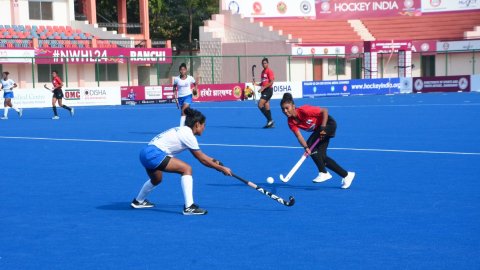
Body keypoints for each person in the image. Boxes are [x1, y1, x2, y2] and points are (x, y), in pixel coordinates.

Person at [131, 107, 232, 215]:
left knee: (157, 179)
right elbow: (202, 159)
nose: (204, 128)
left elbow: (202, 156)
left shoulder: (183, 130)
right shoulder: (188, 135)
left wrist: (215, 161)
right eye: (204, 125)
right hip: (154, 154)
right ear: (197, 124)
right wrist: (221, 169)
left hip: (145, 153)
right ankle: (189, 207)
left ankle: (138, 201)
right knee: (186, 169)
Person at [280, 93, 355, 189]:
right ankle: (347, 175)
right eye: (283, 109)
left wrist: (323, 128)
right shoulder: (290, 122)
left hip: (328, 124)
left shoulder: (304, 110)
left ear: (293, 106)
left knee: (311, 145)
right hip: (320, 130)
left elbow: (325, 111)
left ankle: (323, 172)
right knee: (322, 157)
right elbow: (299, 136)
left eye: (287, 108)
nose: (285, 111)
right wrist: (306, 148)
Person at [253, 58, 275, 128]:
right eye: (263, 63)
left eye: (265, 63)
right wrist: (256, 84)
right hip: (264, 90)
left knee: (260, 105)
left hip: (268, 90)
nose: (264, 64)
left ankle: (270, 120)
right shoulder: (262, 72)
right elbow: (263, 82)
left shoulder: (269, 71)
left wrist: (263, 88)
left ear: (268, 63)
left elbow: (271, 82)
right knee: (267, 105)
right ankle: (270, 122)